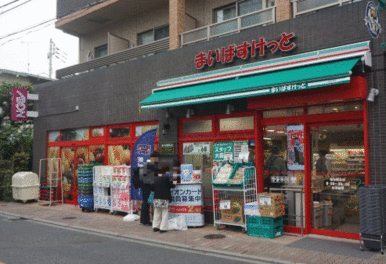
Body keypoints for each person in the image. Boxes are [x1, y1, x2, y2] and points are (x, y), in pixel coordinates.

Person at [152, 164, 175, 233]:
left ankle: (155, 226)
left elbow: (152, 187)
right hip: (164, 198)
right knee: (164, 213)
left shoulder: (155, 178)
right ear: (166, 171)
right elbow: (173, 186)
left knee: (157, 212)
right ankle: (163, 228)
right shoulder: (166, 178)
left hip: (156, 197)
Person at [139, 151, 158, 226]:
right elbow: (150, 177)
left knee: (145, 202)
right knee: (146, 203)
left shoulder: (147, 164)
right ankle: (146, 220)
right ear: (153, 158)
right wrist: (153, 185)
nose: (156, 159)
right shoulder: (150, 165)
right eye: (156, 158)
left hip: (145, 185)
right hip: (147, 186)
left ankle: (143, 220)